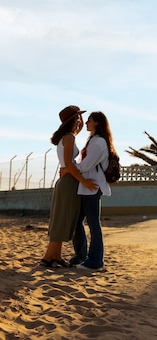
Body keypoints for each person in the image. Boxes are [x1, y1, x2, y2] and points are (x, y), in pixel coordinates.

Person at [40, 105, 98, 268]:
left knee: (62, 218)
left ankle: (54, 257)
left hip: (66, 181)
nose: (81, 119)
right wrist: (85, 181)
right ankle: (48, 257)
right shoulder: (69, 138)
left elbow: (68, 163)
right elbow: (70, 165)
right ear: (74, 118)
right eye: (79, 116)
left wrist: (77, 130)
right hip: (69, 182)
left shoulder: (67, 136)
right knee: (63, 219)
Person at [70, 111, 115, 270]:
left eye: (89, 121)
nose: (86, 123)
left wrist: (70, 167)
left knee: (93, 224)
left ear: (97, 122)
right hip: (86, 187)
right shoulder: (94, 140)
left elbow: (85, 165)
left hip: (93, 187)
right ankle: (81, 256)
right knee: (77, 222)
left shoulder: (99, 142)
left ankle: (95, 261)